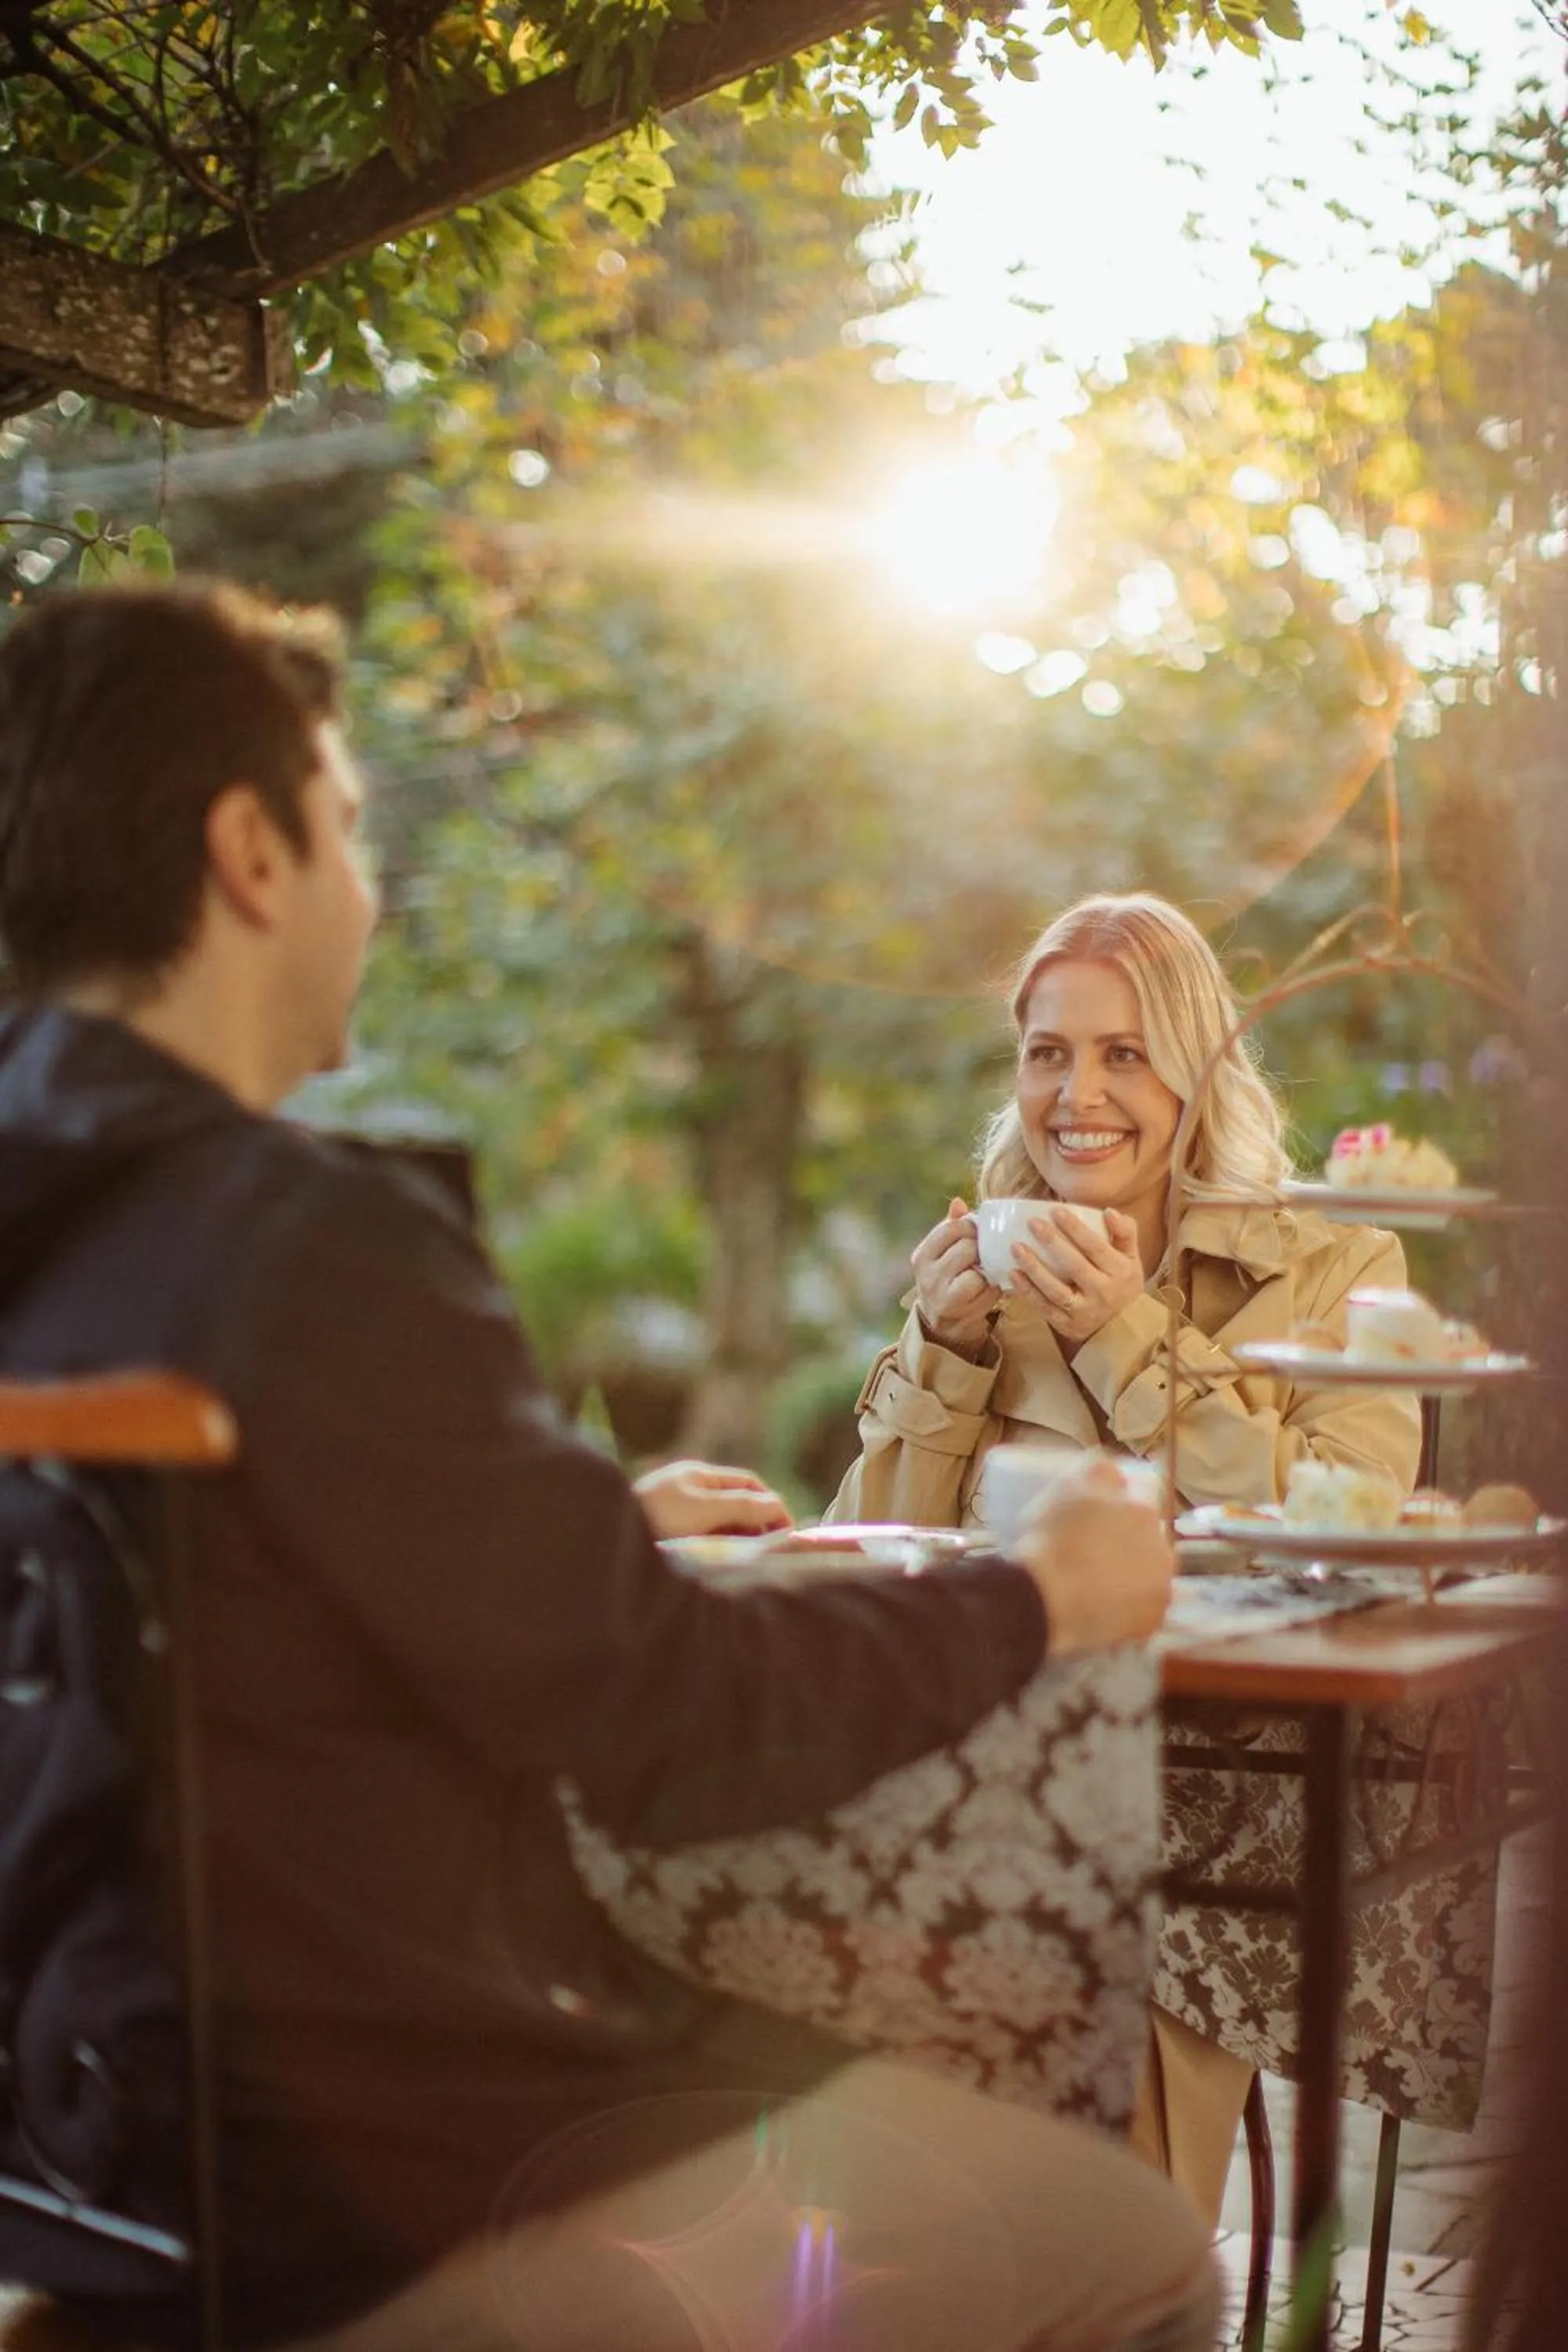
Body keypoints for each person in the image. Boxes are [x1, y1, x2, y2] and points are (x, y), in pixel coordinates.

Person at [0, 584, 1216, 2352]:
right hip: (373, 2186)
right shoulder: (305, 1242)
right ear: (249, 853)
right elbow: (675, 1727)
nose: (368, 885)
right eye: (349, 831)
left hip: (89, 2166)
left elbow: (180, 1616)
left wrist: (556, 1528)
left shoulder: (66, 1223)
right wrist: (1039, 1599)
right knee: (1135, 2249)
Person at [829, 891, 1433, 2227]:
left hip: (1235, 1771)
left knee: (1094, 1949)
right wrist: (943, 1356)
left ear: (1200, 1070)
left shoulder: (1338, 1262)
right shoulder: (990, 1267)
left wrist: (1127, 1334)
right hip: (995, 1748)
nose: (1077, 1093)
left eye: (1123, 1052)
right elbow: (870, 1555)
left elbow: (1351, 1517)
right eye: (1048, 1052)